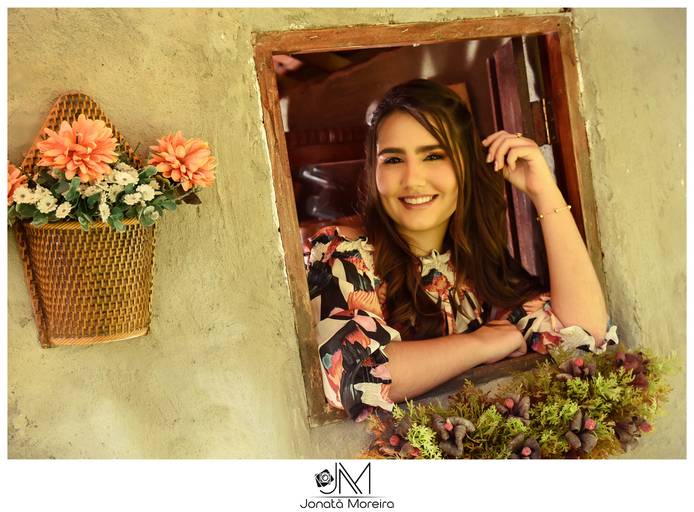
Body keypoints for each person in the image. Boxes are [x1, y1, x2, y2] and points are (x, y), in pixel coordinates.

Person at [306, 79, 618, 422]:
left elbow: (585, 334)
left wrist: (543, 191)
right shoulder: (343, 252)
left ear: (465, 164)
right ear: (373, 169)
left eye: (433, 156)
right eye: (393, 159)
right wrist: (482, 343)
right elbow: (357, 377)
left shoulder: (477, 268)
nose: (413, 179)